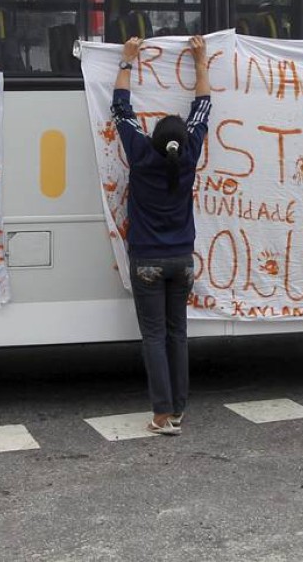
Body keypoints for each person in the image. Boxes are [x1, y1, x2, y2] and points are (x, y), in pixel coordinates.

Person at [112, 34, 211, 436]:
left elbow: (121, 107)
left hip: (147, 261)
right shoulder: (188, 157)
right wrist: (200, 60)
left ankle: (161, 414)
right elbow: (203, 107)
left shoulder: (139, 153)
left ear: (152, 136)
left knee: (153, 336)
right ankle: (179, 410)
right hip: (182, 260)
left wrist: (127, 60)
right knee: (177, 335)